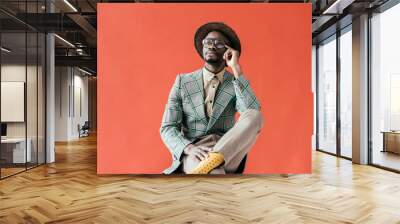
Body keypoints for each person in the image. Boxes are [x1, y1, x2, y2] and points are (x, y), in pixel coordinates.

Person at [160, 22, 264, 174]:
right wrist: (188, 148)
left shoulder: (234, 81)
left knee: (256, 114)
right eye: (208, 42)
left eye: (219, 43)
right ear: (202, 47)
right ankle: (211, 165)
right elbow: (168, 127)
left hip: (228, 150)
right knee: (215, 174)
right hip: (196, 151)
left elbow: (252, 113)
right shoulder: (183, 82)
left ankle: (215, 159)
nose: (211, 46)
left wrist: (236, 69)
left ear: (227, 52)